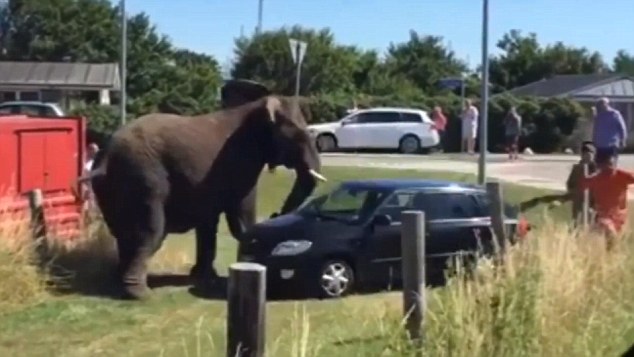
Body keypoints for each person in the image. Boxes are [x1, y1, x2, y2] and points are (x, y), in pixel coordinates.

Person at [578, 149, 634, 250]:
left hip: (619, 215)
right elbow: (582, 185)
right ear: (600, 165)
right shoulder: (595, 178)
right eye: (607, 165)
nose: (609, 168)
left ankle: (608, 256)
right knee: (609, 235)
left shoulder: (622, 175)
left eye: (611, 164)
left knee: (614, 241)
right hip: (603, 215)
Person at [565, 141, 597, 224]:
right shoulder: (577, 168)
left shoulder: (597, 169)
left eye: (591, 154)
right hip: (578, 199)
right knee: (577, 220)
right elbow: (570, 183)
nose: (588, 156)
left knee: (591, 218)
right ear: (582, 155)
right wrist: (572, 192)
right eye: (586, 154)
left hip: (593, 200)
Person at [592, 97, 627, 165]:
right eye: (599, 104)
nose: (600, 106)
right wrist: (594, 140)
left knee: (611, 164)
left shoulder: (615, 114)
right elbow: (595, 129)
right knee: (599, 165)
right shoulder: (598, 116)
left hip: (612, 144)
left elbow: (622, 128)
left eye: (602, 104)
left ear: (607, 104)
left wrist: (623, 140)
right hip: (600, 145)